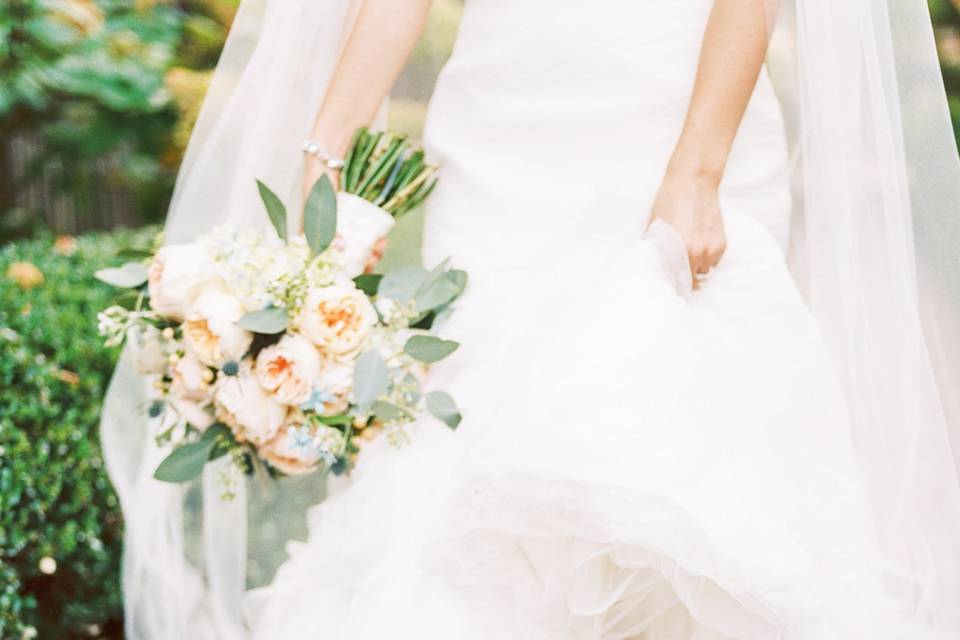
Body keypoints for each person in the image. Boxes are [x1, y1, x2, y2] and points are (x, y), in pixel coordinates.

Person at [102, 0, 960, 638]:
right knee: (473, 448)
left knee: (675, 458)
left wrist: (697, 171)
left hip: (675, 120)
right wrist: (324, 153)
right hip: (501, 143)